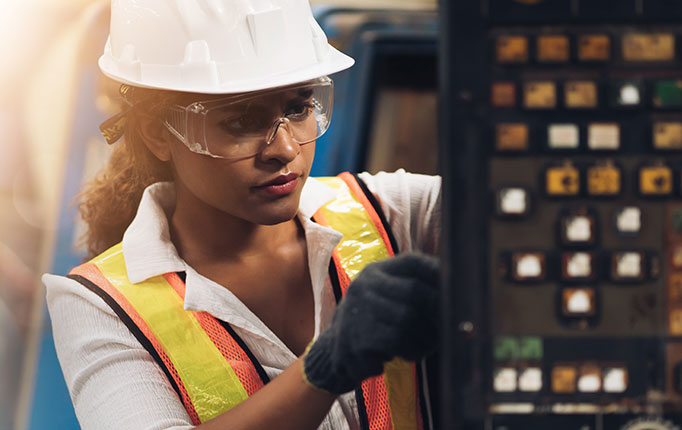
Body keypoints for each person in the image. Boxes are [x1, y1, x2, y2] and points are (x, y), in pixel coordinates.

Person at [41, 1, 443, 428]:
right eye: (241, 122)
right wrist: (323, 369)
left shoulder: (394, 212)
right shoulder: (100, 304)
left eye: (299, 106)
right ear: (159, 134)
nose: (285, 149)